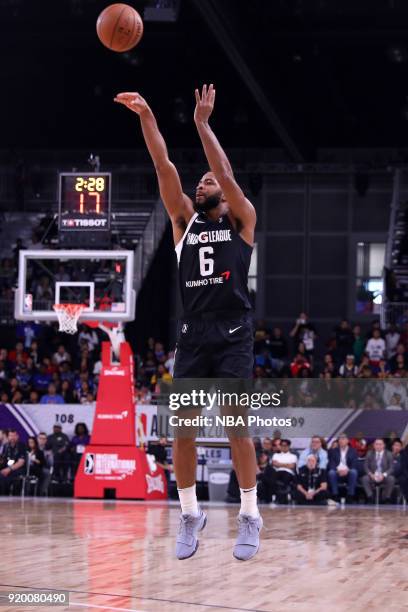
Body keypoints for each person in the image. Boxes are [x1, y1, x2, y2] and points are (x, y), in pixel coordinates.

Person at [114, 83, 261, 561]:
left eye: (208, 182)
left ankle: (249, 515)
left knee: (237, 426)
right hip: (194, 333)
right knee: (182, 430)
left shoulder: (241, 219)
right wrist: (147, 116)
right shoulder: (183, 221)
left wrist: (202, 124)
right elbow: (163, 166)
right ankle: (190, 513)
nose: (202, 184)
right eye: (199, 182)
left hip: (234, 330)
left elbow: (224, 171)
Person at [361, 438, 395, 503]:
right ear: (374, 445)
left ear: (384, 445)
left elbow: (391, 468)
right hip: (373, 475)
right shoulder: (369, 453)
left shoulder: (389, 454)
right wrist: (371, 475)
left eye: (380, 444)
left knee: (391, 479)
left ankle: (386, 498)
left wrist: (384, 475)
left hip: (384, 476)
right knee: (365, 478)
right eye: (376, 444)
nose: (378, 446)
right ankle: (370, 497)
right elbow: (365, 466)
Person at [327, 433, 358, 503]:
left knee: (354, 472)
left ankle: (350, 496)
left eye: (343, 438)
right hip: (337, 473)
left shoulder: (353, 451)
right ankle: (335, 495)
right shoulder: (333, 451)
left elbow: (354, 464)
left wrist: (347, 470)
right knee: (331, 472)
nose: (341, 440)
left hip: (348, 473)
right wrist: (337, 470)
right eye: (340, 439)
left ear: (347, 440)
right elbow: (331, 463)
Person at [0, 430, 26, 495]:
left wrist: (9, 469)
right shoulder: (6, 446)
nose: (12, 438)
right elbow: (3, 460)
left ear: (17, 436)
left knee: (11, 476)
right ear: (8, 437)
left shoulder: (22, 446)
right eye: (11, 436)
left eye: (14, 435)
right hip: (6, 467)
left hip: (18, 469)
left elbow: (21, 462)